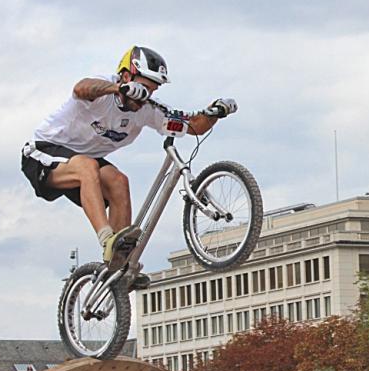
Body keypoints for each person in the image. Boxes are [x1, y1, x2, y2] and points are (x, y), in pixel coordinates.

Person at [21, 46, 236, 289]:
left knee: (119, 182)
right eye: (144, 86)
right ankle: (107, 239)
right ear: (126, 75)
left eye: (153, 89)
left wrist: (215, 113)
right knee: (88, 167)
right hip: (44, 152)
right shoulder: (105, 89)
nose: (146, 94)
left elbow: (193, 126)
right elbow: (81, 88)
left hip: (84, 160)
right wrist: (118, 88)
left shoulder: (146, 110)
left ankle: (119, 266)